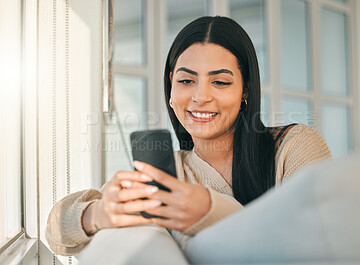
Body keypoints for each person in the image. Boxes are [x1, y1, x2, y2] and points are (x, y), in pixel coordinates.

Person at [46, 16, 331, 256]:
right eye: (186, 80)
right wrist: (97, 214)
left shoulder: (293, 147)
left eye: (220, 82)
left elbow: (318, 243)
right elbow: (57, 231)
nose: (200, 97)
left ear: (245, 90)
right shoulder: (171, 173)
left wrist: (208, 210)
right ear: (171, 85)